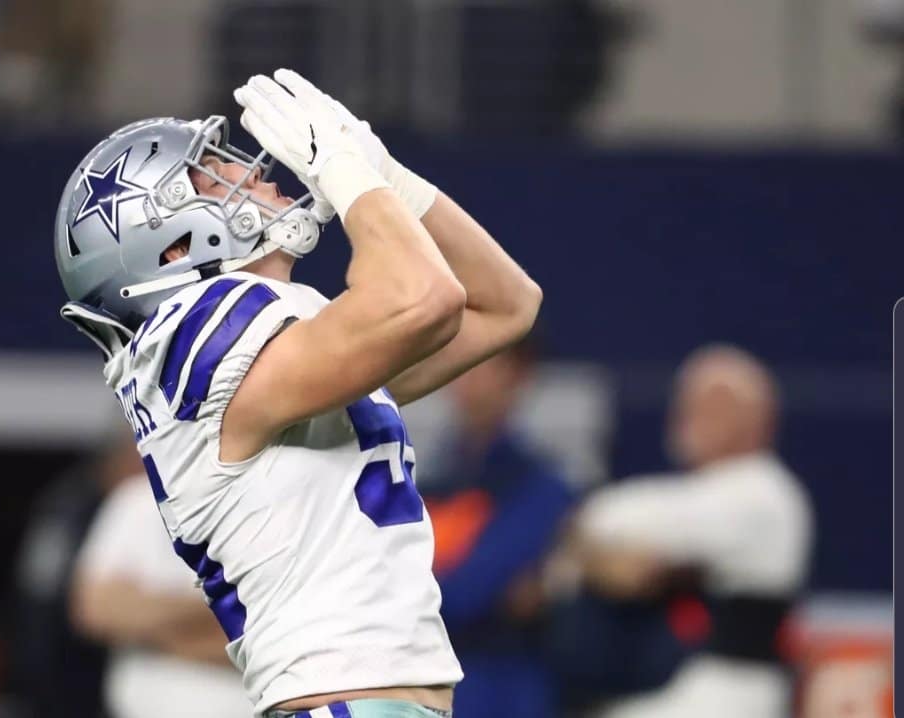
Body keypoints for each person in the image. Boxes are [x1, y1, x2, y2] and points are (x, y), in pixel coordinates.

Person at [53, 68, 542, 718]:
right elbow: (428, 297)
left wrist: (386, 175)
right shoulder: (193, 335)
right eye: (213, 178)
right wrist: (345, 174)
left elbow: (503, 306)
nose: (254, 175)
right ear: (171, 248)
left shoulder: (281, 350)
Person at [572, 344, 814, 718]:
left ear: (756, 419)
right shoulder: (710, 487)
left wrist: (593, 552)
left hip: (734, 692)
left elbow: (606, 516)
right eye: (686, 403)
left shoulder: (765, 492)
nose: (689, 417)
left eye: (713, 406)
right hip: (681, 681)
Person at [421, 337, 574, 718]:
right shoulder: (426, 479)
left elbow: (469, 593)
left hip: (500, 689)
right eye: (460, 363)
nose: (468, 377)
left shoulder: (541, 488)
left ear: (519, 377)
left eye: (485, 363)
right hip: (419, 680)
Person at [71, 473, 252, 718]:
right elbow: (96, 609)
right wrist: (221, 607)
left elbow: (271, 644)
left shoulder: (280, 502)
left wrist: (149, 631)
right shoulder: (139, 500)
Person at [12, 431, 140, 718]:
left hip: (100, 668)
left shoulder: (133, 509)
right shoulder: (68, 508)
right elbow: (44, 596)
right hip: (61, 669)